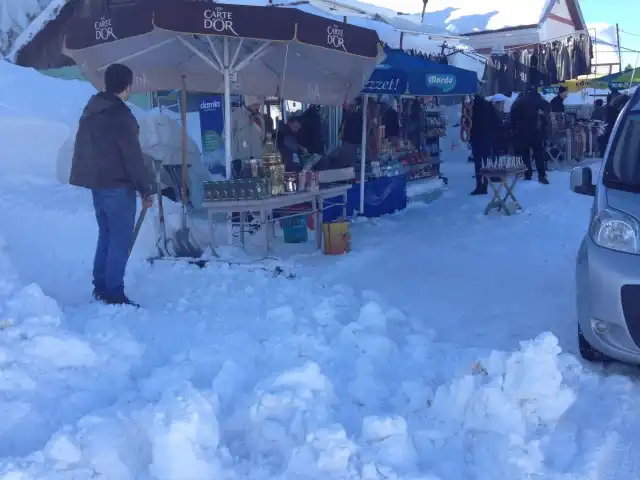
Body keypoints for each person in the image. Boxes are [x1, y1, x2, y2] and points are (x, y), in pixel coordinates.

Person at [70, 63, 154, 306]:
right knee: (120, 238)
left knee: (106, 235)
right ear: (128, 86)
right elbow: (132, 156)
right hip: (118, 186)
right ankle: (114, 291)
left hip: (99, 185)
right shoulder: (119, 115)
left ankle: (101, 286)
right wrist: (145, 188)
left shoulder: (92, 111)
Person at [510, 87, 551, 184]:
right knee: (538, 153)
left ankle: (527, 174)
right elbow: (547, 107)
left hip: (521, 131)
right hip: (534, 130)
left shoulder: (518, 101)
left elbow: (512, 118)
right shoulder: (536, 99)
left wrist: (513, 130)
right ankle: (541, 175)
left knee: (525, 154)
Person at [469, 88, 501, 195]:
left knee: (478, 162)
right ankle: (486, 184)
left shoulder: (471, 106)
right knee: (486, 162)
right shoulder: (488, 105)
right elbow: (497, 121)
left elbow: (467, 122)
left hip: (476, 137)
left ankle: (479, 185)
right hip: (487, 137)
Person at [231, 95, 265, 164]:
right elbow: (227, 135)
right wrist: (247, 124)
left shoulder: (260, 118)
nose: (258, 107)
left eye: (259, 105)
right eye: (255, 105)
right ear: (249, 104)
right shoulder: (235, 115)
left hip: (257, 159)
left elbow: (262, 137)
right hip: (241, 158)